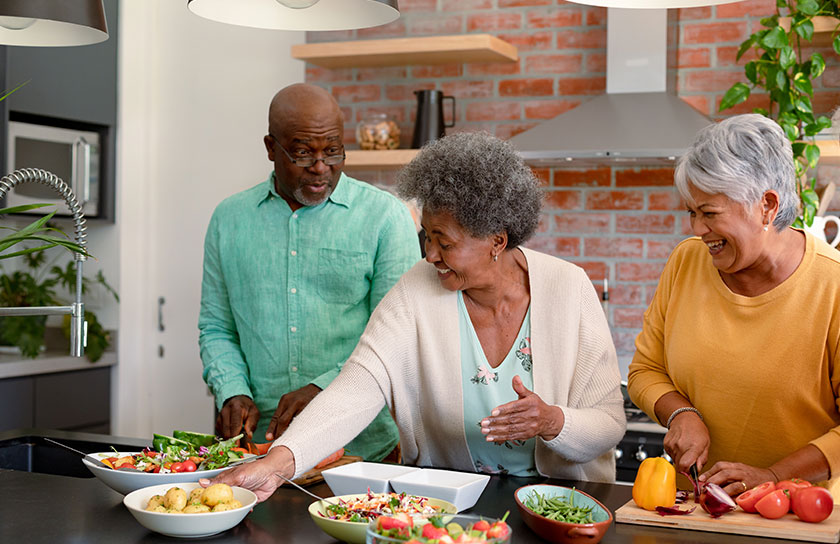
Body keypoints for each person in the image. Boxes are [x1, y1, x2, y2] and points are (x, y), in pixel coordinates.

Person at [206, 132, 626, 502]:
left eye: (444, 242)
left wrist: (553, 421)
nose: (429, 255)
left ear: (496, 240)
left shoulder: (568, 288)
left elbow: (608, 424)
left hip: (559, 510)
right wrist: (279, 463)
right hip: (445, 508)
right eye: (427, 236)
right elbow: (359, 384)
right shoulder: (416, 288)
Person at [198, 83, 421, 462]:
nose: (321, 167)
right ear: (271, 148)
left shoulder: (386, 217)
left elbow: (396, 339)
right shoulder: (229, 219)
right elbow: (217, 327)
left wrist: (323, 389)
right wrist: (232, 391)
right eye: (302, 153)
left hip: (360, 450)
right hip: (255, 450)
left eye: (332, 150)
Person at [627, 113, 840, 498]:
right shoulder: (686, 262)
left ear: (767, 206)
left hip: (801, 518)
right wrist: (681, 412)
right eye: (692, 213)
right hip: (693, 508)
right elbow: (646, 369)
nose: (696, 230)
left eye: (709, 213)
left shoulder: (833, 286)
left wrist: (773, 475)